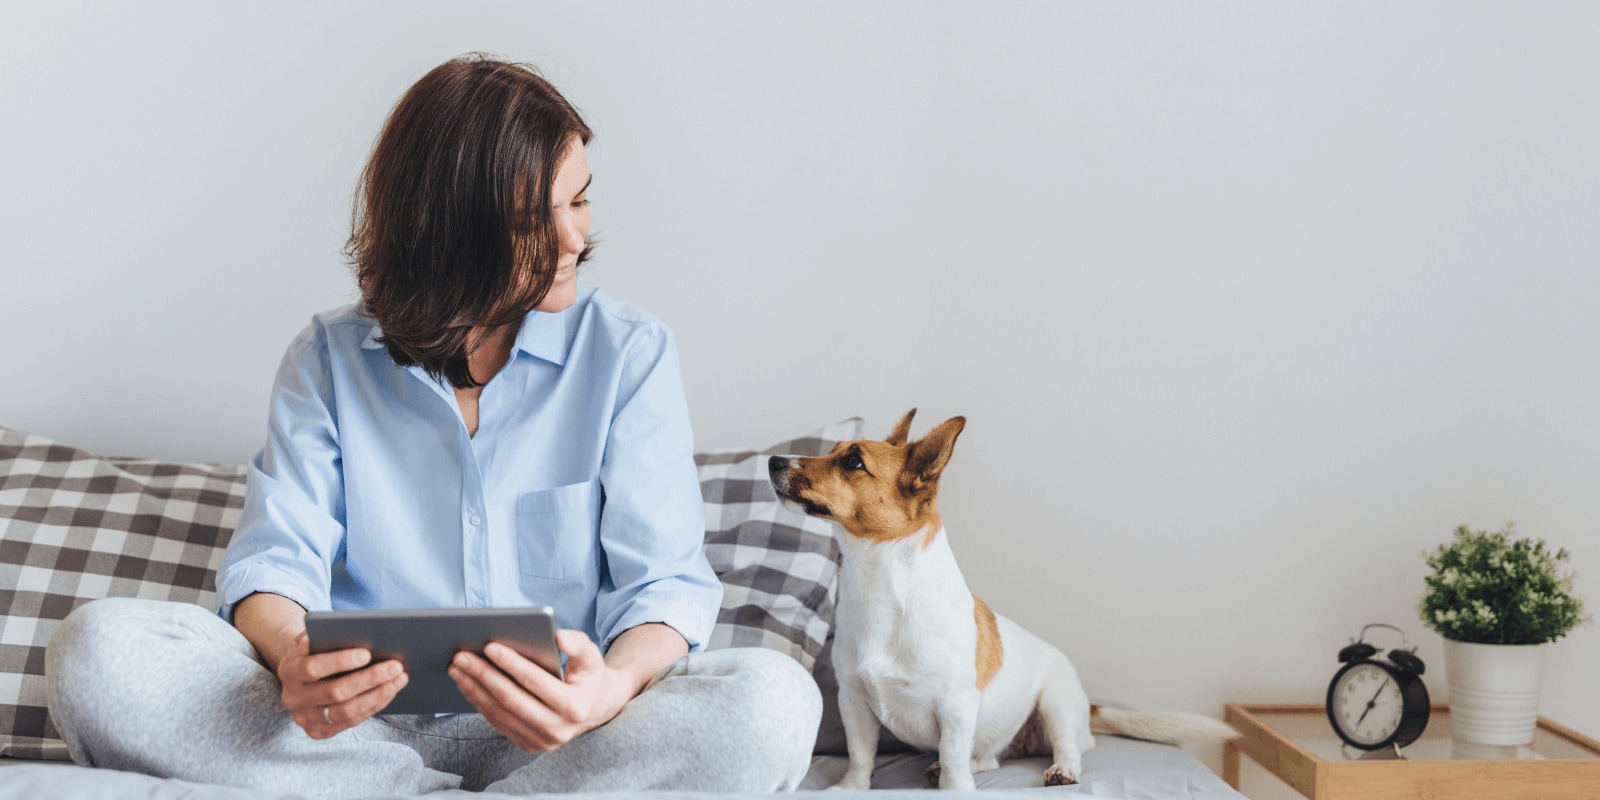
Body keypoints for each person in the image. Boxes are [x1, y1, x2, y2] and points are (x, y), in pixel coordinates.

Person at [44, 54, 821, 798]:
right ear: (444, 230)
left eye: (578, 199)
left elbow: (665, 584)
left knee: (774, 703)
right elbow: (274, 565)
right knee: (97, 653)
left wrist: (608, 689)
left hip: (567, 739)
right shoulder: (326, 361)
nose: (575, 239)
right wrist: (295, 659)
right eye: (530, 219)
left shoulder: (629, 354)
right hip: (349, 736)